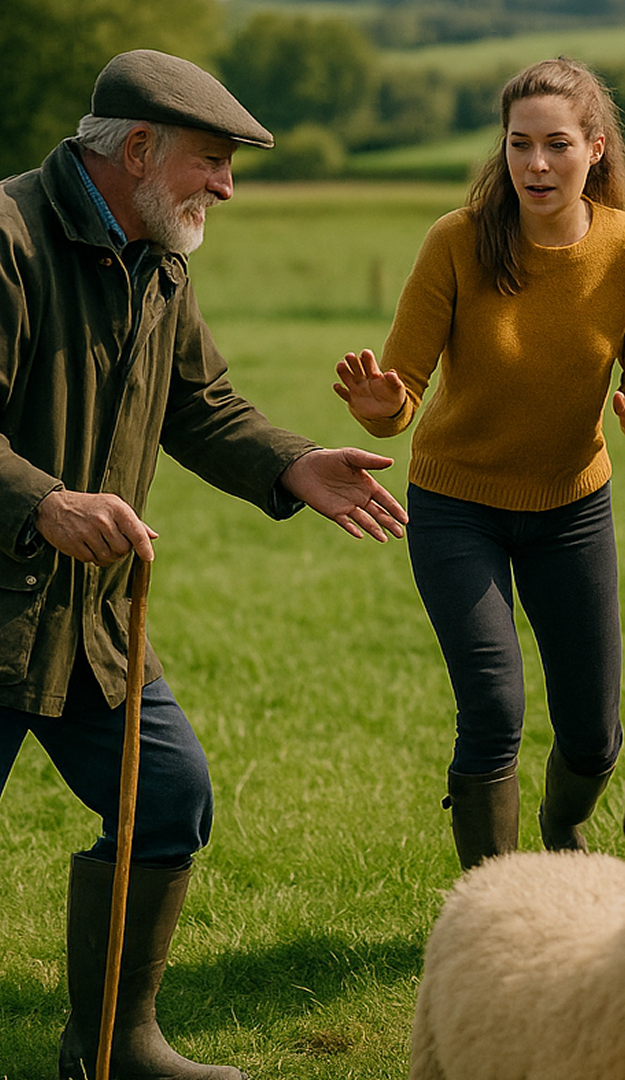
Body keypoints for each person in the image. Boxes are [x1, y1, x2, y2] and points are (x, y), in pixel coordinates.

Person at [0, 50, 408, 1080]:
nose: (226, 187)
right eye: (212, 161)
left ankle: (116, 1044)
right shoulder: (7, 240)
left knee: (168, 800)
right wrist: (43, 501)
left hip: (91, 615)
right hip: (1, 603)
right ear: (138, 148)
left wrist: (294, 463)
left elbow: (199, 403)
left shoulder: (158, 261)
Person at [333, 58, 625, 870]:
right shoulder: (457, 241)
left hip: (571, 507)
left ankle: (562, 828)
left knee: (593, 734)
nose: (536, 164)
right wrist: (380, 406)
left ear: (594, 149)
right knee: (492, 709)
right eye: (520, 144)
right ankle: (493, 898)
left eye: (557, 145)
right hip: (458, 505)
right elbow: (402, 393)